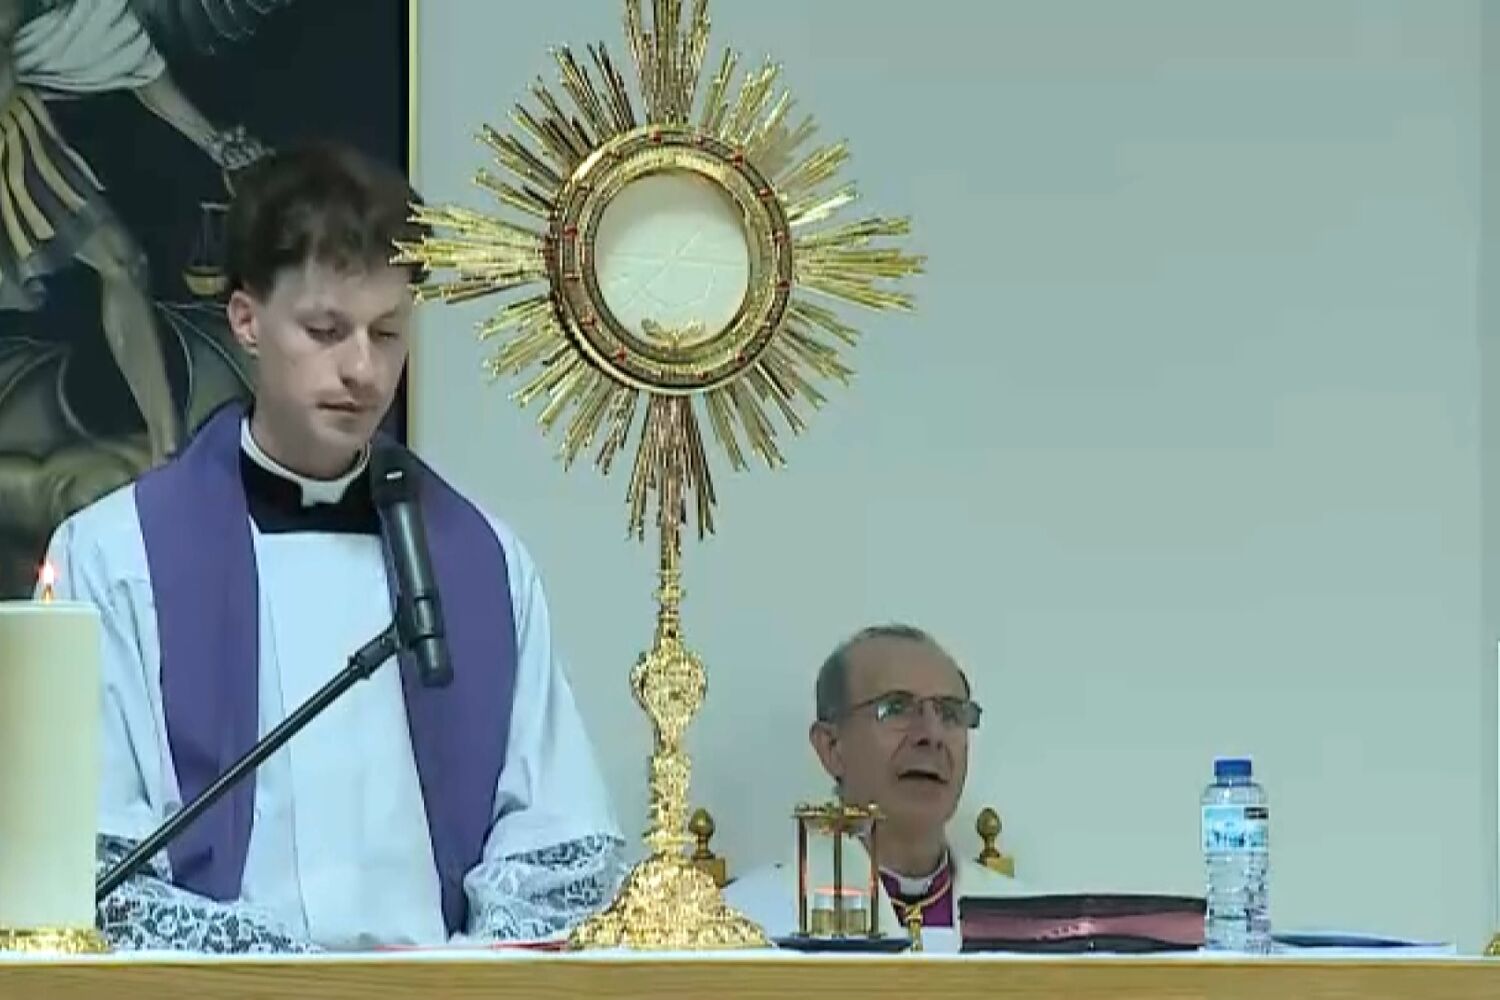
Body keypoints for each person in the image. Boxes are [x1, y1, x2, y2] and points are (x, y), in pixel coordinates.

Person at [39, 141, 626, 952]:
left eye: (388, 333)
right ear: (246, 319)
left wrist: (449, 975)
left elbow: (554, 844)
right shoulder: (115, 558)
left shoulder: (480, 561)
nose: (363, 370)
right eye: (325, 329)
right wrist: (296, 975)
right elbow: (86, 865)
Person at [1, 0, 272, 464]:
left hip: (17, 140)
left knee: (124, 264)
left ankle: (167, 451)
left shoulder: (91, 11)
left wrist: (217, 144)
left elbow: (142, 73)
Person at [724, 624, 1024, 950]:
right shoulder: (742, 926)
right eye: (896, 708)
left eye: (950, 714)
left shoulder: (1028, 926)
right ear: (832, 747)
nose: (932, 735)